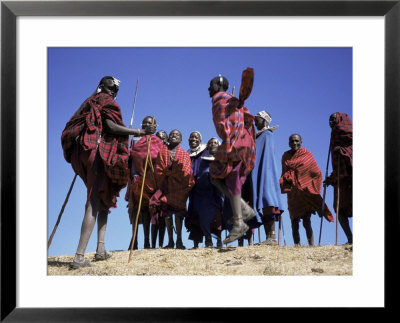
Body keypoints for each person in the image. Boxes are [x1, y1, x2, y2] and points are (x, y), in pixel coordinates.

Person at [61, 76, 155, 269]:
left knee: (103, 197)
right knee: (94, 200)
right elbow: (110, 126)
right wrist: (139, 132)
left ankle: (101, 249)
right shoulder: (104, 100)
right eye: (110, 87)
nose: (113, 92)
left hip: (84, 153)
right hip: (95, 152)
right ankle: (79, 257)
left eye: (115, 90)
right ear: (101, 87)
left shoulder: (89, 101)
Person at [207, 70, 257, 244]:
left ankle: (239, 222)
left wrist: (231, 141)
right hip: (233, 141)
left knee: (232, 179)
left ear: (220, 85)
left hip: (237, 142)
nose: (208, 88)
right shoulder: (224, 101)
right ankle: (243, 208)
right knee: (215, 175)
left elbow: (235, 121)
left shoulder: (226, 99)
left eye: (211, 84)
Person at [280, 134, 334, 246]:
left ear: (301, 142)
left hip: (305, 192)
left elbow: (316, 172)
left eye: (297, 141)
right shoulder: (285, 156)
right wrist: (287, 179)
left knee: (306, 220)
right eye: (292, 141)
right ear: (289, 143)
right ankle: (297, 245)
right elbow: (284, 173)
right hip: (293, 193)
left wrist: (309, 184)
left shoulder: (307, 154)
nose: (294, 143)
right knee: (294, 220)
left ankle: (311, 244)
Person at [149, 130, 195, 249]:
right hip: (166, 185)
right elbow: (158, 169)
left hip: (179, 187)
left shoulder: (184, 154)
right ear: (168, 139)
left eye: (177, 135)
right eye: (172, 135)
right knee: (167, 212)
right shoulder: (162, 152)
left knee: (178, 213)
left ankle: (179, 240)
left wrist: (175, 174)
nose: (174, 136)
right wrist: (167, 174)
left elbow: (186, 171)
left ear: (181, 140)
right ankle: (170, 241)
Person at [126, 116, 164, 249]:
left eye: (150, 123)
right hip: (136, 178)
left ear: (154, 126)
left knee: (147, 211)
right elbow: (130, 157)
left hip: (151, 180)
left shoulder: (158, 141)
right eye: (145, 123)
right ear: (142, 125)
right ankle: (134, 239)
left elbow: (159, 158)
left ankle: (147, 240)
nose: (147, 125)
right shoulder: (135, 139)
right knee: (135, 210)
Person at [248, 111, 284, 245]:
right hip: (258, 172)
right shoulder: (257, 137)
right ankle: (268, 237)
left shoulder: (267, 135)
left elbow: (266, 157)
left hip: (266, 172)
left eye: (257, 120)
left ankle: (272, 237)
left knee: (268, 200)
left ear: (264, 121)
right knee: (262, 203)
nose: (255, 122)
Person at [187, 137, 224, 248]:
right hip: (204, 195)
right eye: (210, 143)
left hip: (218, 194)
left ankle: (218, 240)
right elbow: (200, 177)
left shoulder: (223, 161)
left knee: (218, 218)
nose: (213, 144)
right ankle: (208, 240)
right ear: (207, 146)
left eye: (215, 143)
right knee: (203, 218)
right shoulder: (203, 161)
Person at [324, 112, 353, 244]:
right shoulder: (333, 137)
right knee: (339, 209)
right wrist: (330, 180)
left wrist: (342, 150)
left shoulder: (350, 133)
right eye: (329, 120)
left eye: (333, 119)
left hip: (352, 177)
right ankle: (351, 239)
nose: (330, 122)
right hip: (341, 179)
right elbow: (337, 166)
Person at [185, 131, 208, 248]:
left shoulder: (205, 151)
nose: (193, 139)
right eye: (191, 137)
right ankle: (195, 243)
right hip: (192, 190)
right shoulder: (186, 154)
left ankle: (209, 241)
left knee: (206, 213)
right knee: (193, 214)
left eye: (196, 137)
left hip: (204, 188)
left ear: (200, 140)